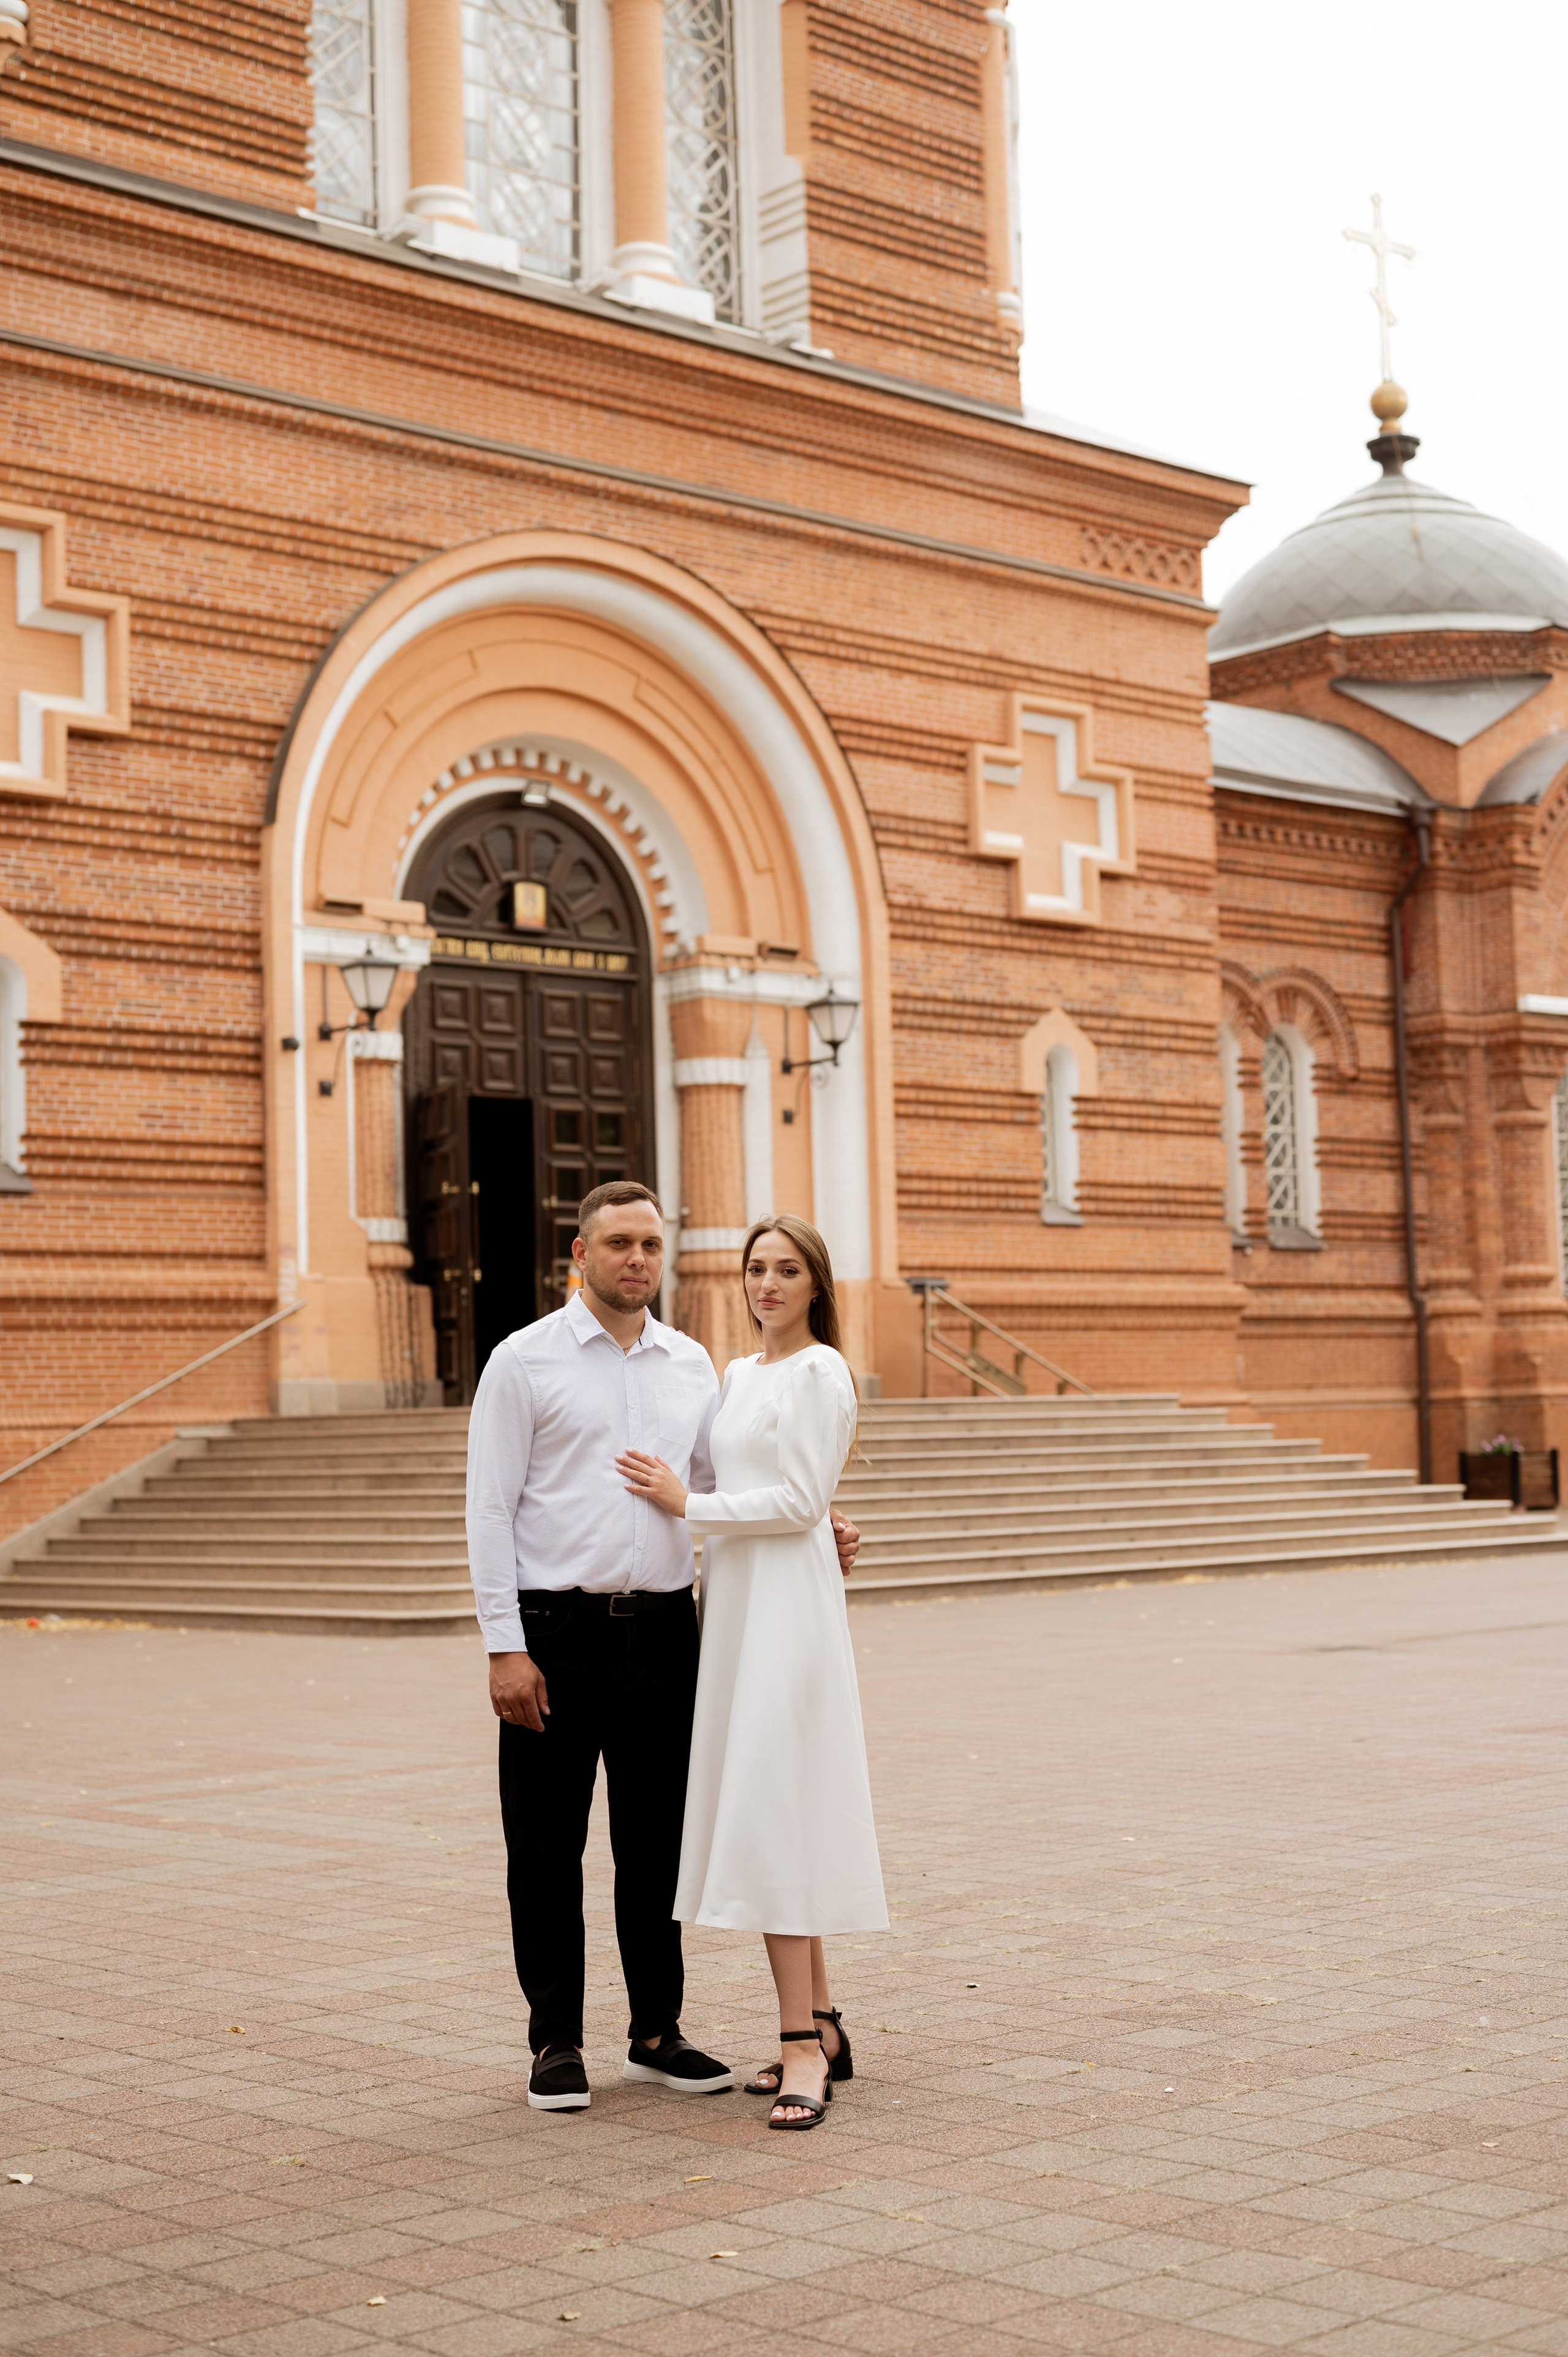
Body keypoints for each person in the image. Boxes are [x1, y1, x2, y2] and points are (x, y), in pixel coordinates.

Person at [465, 1180, 861, 2113]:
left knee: (657, 1848)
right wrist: (502, 1644)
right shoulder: (523, 1362)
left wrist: (823, 1525)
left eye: (650, 1244)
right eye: (618, 1244)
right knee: (545, 1848)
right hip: (553, 1634)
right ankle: (556, 2039)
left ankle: (656, 2031)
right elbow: (489, 1508)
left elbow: (736, 1484)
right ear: (580, 1254)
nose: (637, 1259)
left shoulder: (696, 1367)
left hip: (667, 1633)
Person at [619, 1213, 887, 2132]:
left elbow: (801, 1498)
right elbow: (765, 1480)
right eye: (755, 1269)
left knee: (778, 1806)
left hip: (787, 1613)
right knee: (777, 1799)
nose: (766, 1285)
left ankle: (801, 2049)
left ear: (817, 1285)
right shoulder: (737, 1374)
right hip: (732, 1606)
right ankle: (824, 2023)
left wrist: (684, 1503)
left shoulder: (822, 1370)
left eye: (786, 1270)